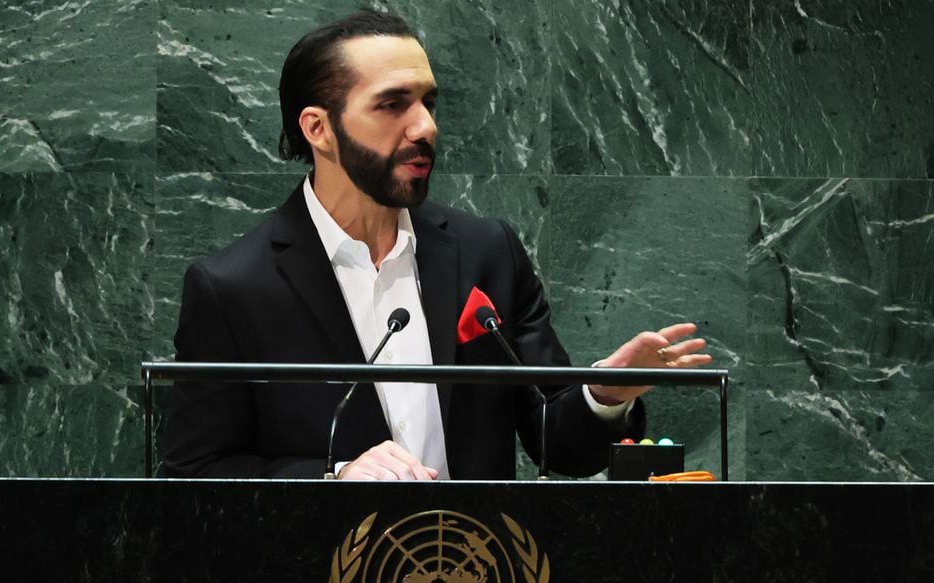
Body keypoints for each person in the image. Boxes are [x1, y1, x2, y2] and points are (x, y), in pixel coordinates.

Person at [161, 10, 710, 480]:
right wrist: (334, 475)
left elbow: (558, 443)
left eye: (428, 102)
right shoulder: (234, 287)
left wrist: (604, 395)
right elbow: (192, 474)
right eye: (393, 104)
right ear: (318, 129)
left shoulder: (484, 251)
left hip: (488, 581)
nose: (425, 126)